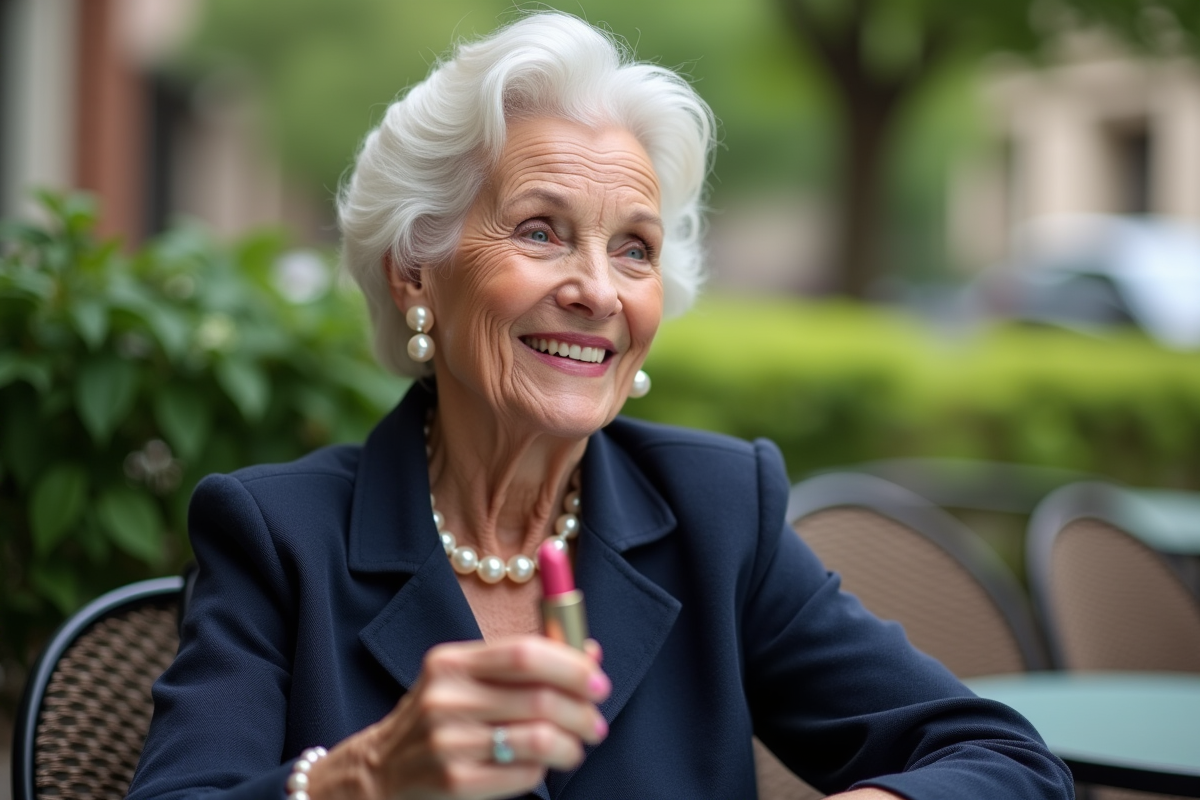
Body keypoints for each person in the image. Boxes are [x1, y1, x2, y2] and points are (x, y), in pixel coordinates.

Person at [127, 12, 1073, 800]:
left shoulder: (717, 512)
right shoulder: (277, 535)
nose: (599, 291)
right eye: (541, 232)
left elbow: (1010, 765)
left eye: (634, 249)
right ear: (416, 271)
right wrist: (359, 779)